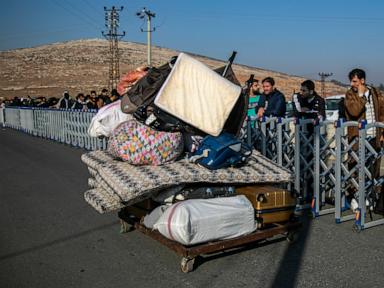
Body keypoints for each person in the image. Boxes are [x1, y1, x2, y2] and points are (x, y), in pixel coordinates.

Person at [344, 68, 384, 213]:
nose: (352, 84)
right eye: (351, 81)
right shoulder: (350, 94)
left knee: (372, 168)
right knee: (357, 168)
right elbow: (354, 111)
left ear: (362, 80)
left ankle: (370, 197)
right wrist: (360, 95)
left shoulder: (374, 92)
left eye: (355, 81)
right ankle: (355, 198)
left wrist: (382, 132)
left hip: (374, 136)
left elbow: (381, 111)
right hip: (358, 138)